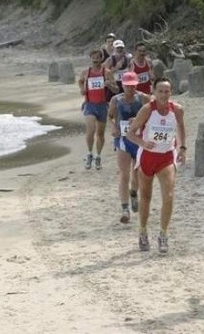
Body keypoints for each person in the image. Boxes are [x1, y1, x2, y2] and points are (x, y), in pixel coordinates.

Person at [126, 77, 187, 253]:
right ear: (154, 92)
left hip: (166, 156)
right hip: (147, 157)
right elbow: (130, 134)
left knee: (168, 195)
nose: (163, 94)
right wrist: (143, 143)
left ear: (171, 92)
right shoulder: (147, 110)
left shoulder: (177, 110)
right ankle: (143, 231)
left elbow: (181, 127)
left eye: (167, 91)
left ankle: (163, 234)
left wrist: (182, 148)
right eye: (160, 91)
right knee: (146, 197)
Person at [108, 71, 151, 223]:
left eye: (132, 86)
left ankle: (134, 193)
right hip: (123, 140)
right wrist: (113, 127)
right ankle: (125, 208)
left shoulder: (144, 98)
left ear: (136, 85)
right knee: (124, 174)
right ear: (122, 85)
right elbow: (110, 116)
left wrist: (139, 120)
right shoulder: (116, 100)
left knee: (138, 174)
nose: (130, 89)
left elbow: (153, 115)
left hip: (139, 141)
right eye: (127, 86)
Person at [78, 48, 118, 170]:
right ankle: (89, 153)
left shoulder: (107, 72)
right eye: (93, 57)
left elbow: (116, 90)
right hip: (90, 105)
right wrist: (82, 89)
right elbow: (80, 81)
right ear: (91, 59)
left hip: (102, 106)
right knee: (90, 131)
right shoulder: (86, 72)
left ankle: (98, 156)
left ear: (102, 59)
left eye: (98, 57)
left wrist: (109, 85)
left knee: (100, 134)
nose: (95, 60)